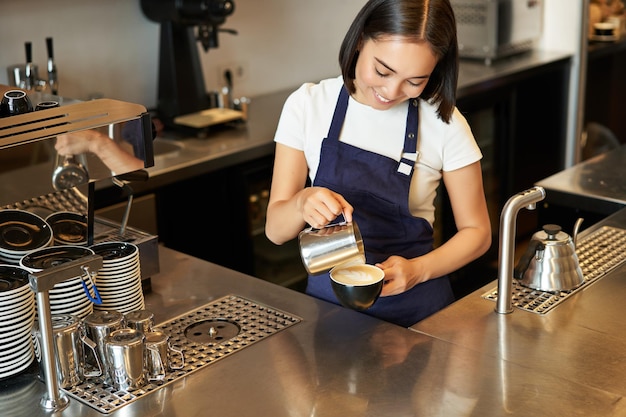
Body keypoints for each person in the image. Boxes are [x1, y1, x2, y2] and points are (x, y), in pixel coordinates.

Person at [265, 0, 491, 327]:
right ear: (360, 40)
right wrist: (301, 203)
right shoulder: (308, 105)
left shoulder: (444, 123)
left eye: (415, 81)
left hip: (418, 316)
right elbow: (274, 230)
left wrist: (418, 271)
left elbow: (478, 232)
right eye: (382, 71)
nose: (391, 91)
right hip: (329, 313)